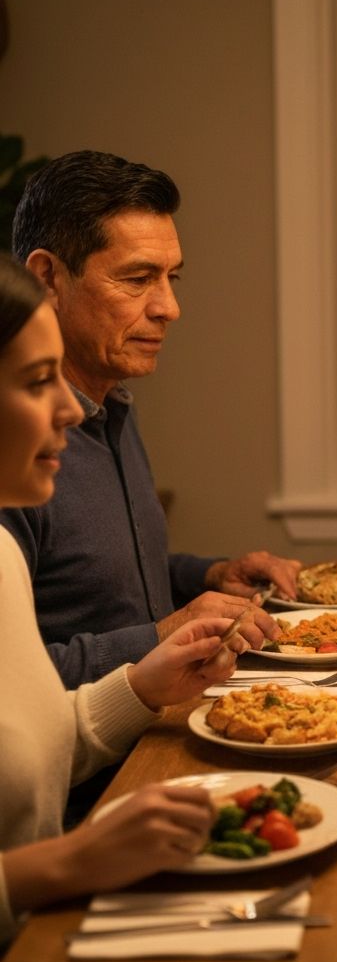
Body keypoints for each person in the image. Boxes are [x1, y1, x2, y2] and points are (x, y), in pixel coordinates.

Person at [0, 254, 248, 945]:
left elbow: (33, 750)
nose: (69, 408)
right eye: (35, 380)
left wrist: (141, 686)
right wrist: (65, 861)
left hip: (67, 894)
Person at [4, 150, 301, 688]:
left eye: (171, 278)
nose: (169, 307)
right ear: (47, 277)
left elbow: (100, 586)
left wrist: (207, 577)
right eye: (139, 279)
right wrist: (160, 637)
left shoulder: (112, 404)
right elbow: (14, 685)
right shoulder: (16, 448)